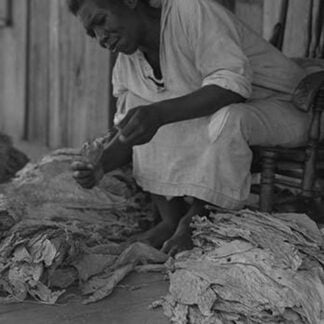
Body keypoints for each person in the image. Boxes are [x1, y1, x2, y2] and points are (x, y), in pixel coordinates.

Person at [69, 0, 310, 255]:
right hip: (235, 113)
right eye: (91, 33)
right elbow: (130, 132)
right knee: (139, 108)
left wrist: (157, 114)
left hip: (290, 106)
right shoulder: (128, 63)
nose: (100, 37)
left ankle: (196, 220)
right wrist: (100, 165)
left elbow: (231, 86)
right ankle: (170, 219)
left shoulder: (191, 11)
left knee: (228, 118)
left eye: (100, 21)